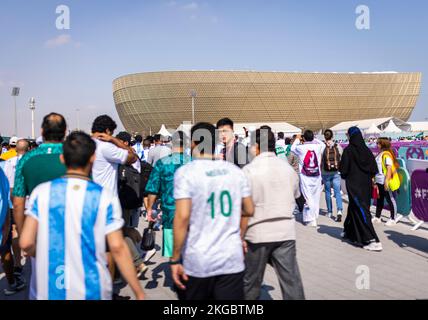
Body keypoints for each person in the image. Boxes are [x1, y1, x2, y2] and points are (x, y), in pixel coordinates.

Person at [19, 131, 145, 300]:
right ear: (92, 159)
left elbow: (26, 242)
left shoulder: (42, 193)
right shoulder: (104, 197)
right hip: (92, 288)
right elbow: (117, 247)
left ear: (63, 159)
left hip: (50, 288)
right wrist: (138, 291)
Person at [171, 122, 254, 300]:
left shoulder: (186, 173)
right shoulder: (235, 172)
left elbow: (182, 217)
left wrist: (175, 258)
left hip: (198, 260)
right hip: (232, 258)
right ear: (216, 141)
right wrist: (240, 235)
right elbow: (248, 209)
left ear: (193, 143)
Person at [242, 127, 305, 300]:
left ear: (256, 146)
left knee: (251, 283)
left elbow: (244, 207)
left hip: (258, 235)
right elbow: (295, 195)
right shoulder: (287, 169)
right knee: (291, 282)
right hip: (286, 232)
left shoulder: (248, 171)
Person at [13, 113, 68, 299]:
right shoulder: (73, 156)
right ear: (65, 132)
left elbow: (18, 202)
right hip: (71, 227)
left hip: (38, 231)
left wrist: (23, 236)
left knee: (43, 282)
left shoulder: (26, 160)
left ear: (42, 132)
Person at [145, 131, 191, 258]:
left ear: (171, 143)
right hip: (190, 212)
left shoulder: (162, 163)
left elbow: (153, 189)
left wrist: (149, 209)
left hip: (169, 213)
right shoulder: (193, 162)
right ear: (186, 144)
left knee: (172, 251)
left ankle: (175, 269)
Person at [340, 127, 382, 252]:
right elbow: (374, 169)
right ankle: (350, 232)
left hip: (354, 185)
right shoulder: (367, 151)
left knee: (362, 210)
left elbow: (343, 170)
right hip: (366, 185)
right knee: (354, 207)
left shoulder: (348, 151)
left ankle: (373, 239)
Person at [4, 139, 30, 282]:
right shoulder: (32, 162)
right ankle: (31, 258)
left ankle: (18, 263)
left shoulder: (9, 163)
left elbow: (8, 184)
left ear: (15, 149)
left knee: (15, 230)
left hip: (14, 202)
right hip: (30, 201)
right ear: (29, 148)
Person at [291, 130, 326, 227]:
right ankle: (313, 216)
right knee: (315, 197)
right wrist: (314, 138)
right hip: (316, 175)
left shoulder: (300, 148)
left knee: (307, 197)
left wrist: (297, 139)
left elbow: (292, 148)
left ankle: (311, 219)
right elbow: (323, 144)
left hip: (305, 176)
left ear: (304, 138)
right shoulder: (318, 146)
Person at [372, 138, 400, 226]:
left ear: (382, 144)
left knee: (390, 200)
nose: (377, 145)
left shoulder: (386, 155)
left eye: (378, 143)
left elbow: (388, 170)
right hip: (379, 181)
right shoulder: (380, 154)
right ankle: (377, 217)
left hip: (385, 181)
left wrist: (386, 181)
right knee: (379, 199)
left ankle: (393, 218)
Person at [321, 129, 344, 222]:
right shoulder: (338, 146)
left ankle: (330, 211)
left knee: (327, 192)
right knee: (337, 192)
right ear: (332, 136)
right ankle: (339, 211)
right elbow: (341, 158)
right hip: (336, 172)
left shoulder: (322, 146)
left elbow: (320, 161)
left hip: (325, 172)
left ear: (324, 137)